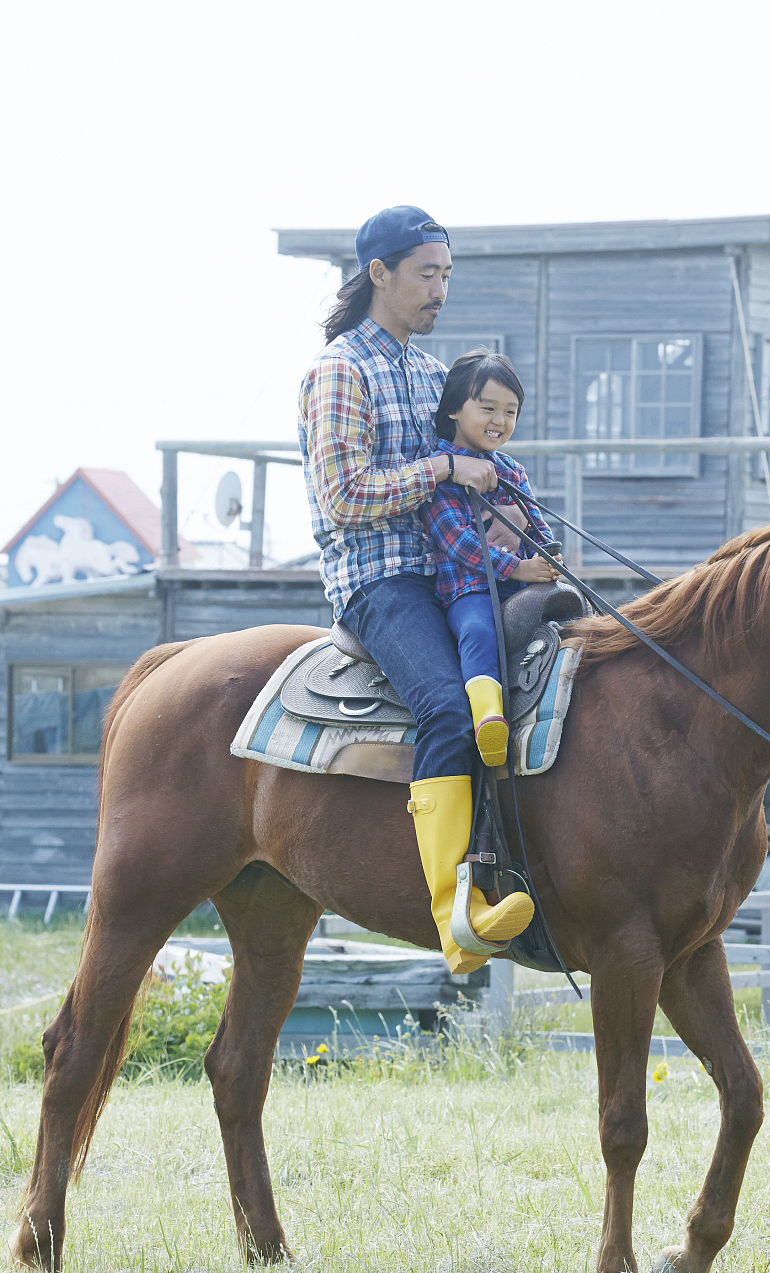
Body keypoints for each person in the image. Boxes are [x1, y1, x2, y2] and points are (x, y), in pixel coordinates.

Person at [297, 205, 533, 973]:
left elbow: (479, 466)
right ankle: (454, 912)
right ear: (380, 274)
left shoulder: (438, 376)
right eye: (427, 274)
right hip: (381, 580)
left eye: (446, 275)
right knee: (446, 706)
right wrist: (442, 469)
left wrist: (515, 529)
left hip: (457, 571)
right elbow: (343, 498)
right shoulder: (341, 371)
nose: (440, 289)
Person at [420, 350, 559, 768]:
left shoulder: (512, 470)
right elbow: (456, 541)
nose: (500, 420)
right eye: (488, 408)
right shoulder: (438, 471)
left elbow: (538, 524)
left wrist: (547, 556)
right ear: (455, 411)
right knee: (478, 630)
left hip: (520, 583)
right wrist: (516, 566)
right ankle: (488, 719)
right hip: (470, 588)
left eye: (511, 411)